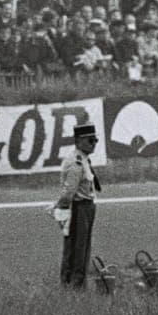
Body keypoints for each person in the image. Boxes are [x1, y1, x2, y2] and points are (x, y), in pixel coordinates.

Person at [53, 123, 102, 288]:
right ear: (79, 141)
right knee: (76, 248)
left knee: (83, 247)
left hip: (86, 206)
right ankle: (72, 284)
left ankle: (77, 283)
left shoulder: (84, 159)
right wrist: (62, 209)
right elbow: (69, 191)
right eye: (90, 141)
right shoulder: (76, 162)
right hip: (78, 207)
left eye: (95, 140)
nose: (94, 144)